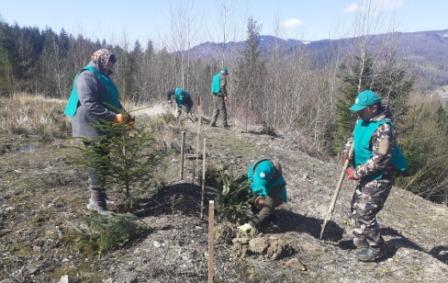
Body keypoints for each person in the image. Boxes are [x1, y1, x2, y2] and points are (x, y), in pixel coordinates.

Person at [340, 89, 408, 262]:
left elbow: (380, 160)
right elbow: (353, 138)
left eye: (361, 109)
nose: (357, 112)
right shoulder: (362, 120)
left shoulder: (385, 128)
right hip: (367, 173)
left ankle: (378, 248)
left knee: (365, 211)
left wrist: (356, 173)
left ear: (373, 108)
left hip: (381, 176)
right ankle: (361, 241)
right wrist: (346, 151)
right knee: (356, 206)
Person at [64, 48, 133, 215]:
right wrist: (114, 118)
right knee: (98, 161)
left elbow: (111, 100)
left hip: (101, 124)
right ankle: (96, 202)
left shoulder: (102, 76)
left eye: (112, 63)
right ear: (100, 60)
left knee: (104, 159)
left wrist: (125, 116)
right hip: (89, 125)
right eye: (109, 62)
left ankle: (100, 195)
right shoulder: (86, 76)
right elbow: (90, 104)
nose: (111, 66)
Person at [237, 159, 288, 234]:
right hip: (261, 193)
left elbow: (268, 207)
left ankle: (270, 217)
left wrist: (250, 224)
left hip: (275, 197)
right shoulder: (255, 169)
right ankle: (255, 209)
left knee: (263, 205)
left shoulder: (275, 185)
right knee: (249, 194)